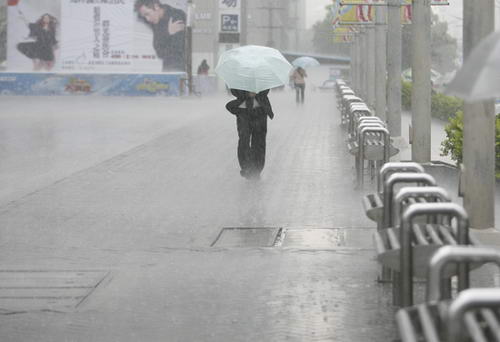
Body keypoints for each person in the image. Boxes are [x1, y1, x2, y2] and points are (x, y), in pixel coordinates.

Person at [226, 89, 274, 180]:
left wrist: (257, 92)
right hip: (244, 111)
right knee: (244, 139)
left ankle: (257, 169)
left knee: (259, 141)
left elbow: (266, 88)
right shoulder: (239, 75)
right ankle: (246, 167)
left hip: (260, 110)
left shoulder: (262, 75)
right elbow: (234, 90)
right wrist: (247, 94)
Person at [134, 0, 186, 71]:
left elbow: (177, 51)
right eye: (144, 16)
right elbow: (159, 52)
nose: (147, 19)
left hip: (180, 69)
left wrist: (165, 38)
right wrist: (168, 33)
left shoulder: (176, 16)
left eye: (147, 14)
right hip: (168, 69)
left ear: (156, 6)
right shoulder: (155, 21)